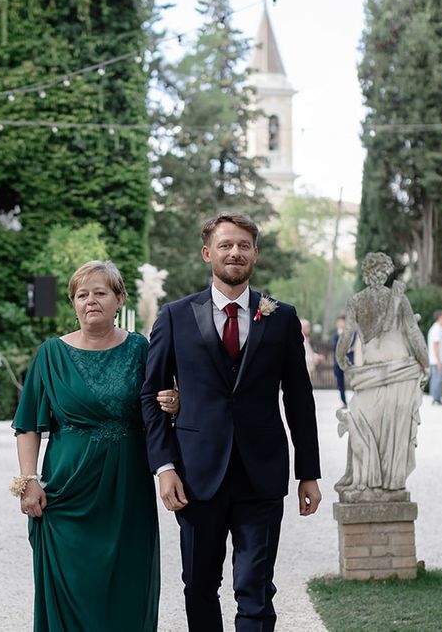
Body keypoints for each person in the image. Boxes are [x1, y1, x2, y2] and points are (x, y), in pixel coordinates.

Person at [141, 213, 322, 632]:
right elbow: (150, 396)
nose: (234, 252)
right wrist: (164, 468)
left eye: (243, 245)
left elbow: (299, 399)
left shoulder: (281, 317)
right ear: (208, 253)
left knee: (255, 586)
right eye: (225, 245)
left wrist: (308, 473)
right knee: (199, 586)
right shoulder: (174, 316)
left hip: (261, 474)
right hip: (195, 475)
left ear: (255, 254)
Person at [12, 260, 178, 632]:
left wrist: (174, 402)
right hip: (67, 489)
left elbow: (159, 405)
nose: (91, 301)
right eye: (82, 295)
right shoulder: (50, 355)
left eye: (100, 292)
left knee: (128, 581)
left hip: (126, 490)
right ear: (73, 303)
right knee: (71, 581)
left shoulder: (140, 349)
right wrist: (29, 480)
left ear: (119, 298)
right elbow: (27, 426)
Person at [334, 252, 429, 495]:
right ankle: (384, 481)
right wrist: (426, 363)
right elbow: (413, 332)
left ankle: (381, 481)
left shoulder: (358, 300)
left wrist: (340, 356)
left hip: (388, 370)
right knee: (389, 428)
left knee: (379, 424)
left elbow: (347, 335)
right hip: (393, 370)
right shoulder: (395, 297)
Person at [332, 315, 352, 406]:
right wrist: (340, 336)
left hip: (350, 362)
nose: (339, 324)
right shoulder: (335, 335)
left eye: (341, 322)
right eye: (338, 322)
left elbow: (351, 347)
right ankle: (344, 401)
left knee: (353, 381)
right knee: (340, 384)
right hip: (337, 363)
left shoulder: (351, 334)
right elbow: (334, 347)